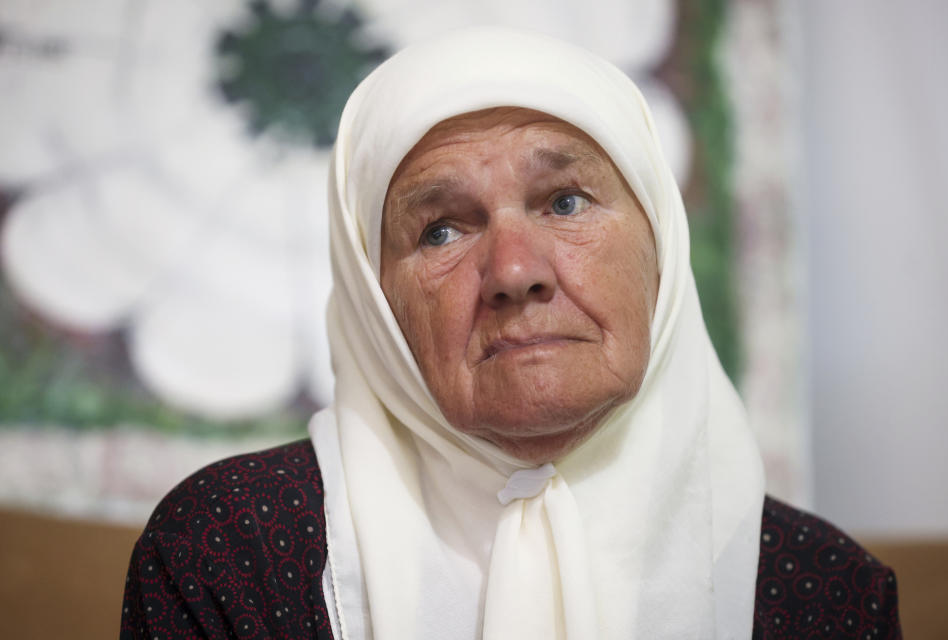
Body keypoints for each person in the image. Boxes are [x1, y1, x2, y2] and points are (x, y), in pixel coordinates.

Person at [120, 27, 901, 639]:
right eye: (441, 231)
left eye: (565, 202)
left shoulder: (825, 592)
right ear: (373, 299)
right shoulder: (231, 553)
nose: (514, 271)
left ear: (659, 244)